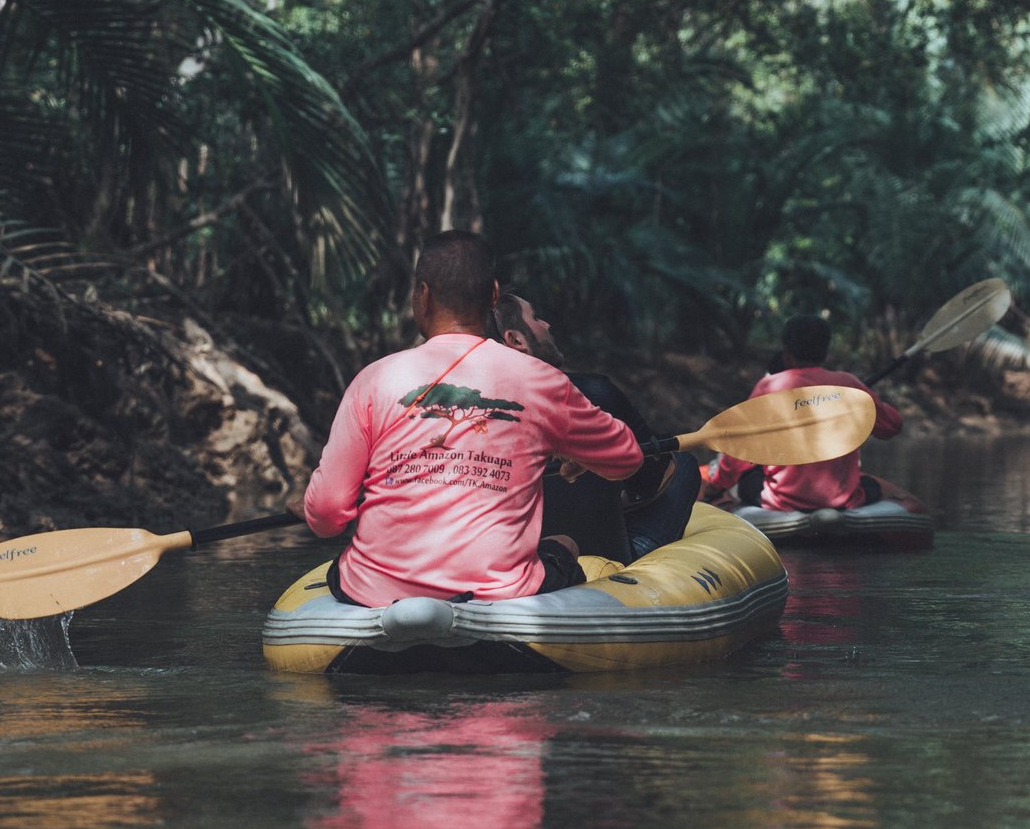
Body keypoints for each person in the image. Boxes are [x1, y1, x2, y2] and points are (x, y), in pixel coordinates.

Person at [300, 233, 646, 606]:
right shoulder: (542, 380)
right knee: (564, 544)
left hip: (375, 596)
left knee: (345, 562)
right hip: (500, 595)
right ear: (494, 294)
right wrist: (581, 457)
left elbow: (325, 515)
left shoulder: (374, 379)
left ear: (423, 295)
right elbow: (626, 459)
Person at [489, 291, 700, 561]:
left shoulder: (463, 405)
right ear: (516, 340)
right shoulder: (591, 393)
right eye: (536, 318)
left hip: (505, 552)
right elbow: (651, 476)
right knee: (683, 464)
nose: (546, 325)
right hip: (602, 556)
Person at [704, 313, 905, 511]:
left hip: (782, 502)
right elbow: (892, 426)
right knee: (871, 486)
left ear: (786, 352)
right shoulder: (849, 384)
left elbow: (741, 449)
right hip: (842, 501)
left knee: (747, 478)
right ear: (825, 352)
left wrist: (716, 485)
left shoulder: (769, 387)